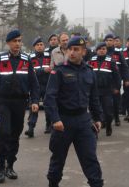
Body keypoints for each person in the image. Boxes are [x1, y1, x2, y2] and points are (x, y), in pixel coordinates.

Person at [44, 36, 104, 187]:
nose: (72, 52)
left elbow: (94, 98)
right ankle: (53, 184)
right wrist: (55, 119)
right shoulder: (59, 71)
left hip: (83, 121)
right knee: (58, 159)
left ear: (83, 52)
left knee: (90, 159)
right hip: (63, 122)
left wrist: (98, 118)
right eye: (70, 49)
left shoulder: (89, 72)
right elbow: (50, 98)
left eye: (76, 49)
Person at [0, 30, 40, 183]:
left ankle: (10, 165)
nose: (17, 44)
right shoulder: (0, 59)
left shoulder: (27, 60)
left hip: (20, 103)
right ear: (8, 43)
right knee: (4, 133)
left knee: (15, 135)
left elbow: (34, 83)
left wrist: (34, 101)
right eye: (14, 41)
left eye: (19, 41)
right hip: (4, 102)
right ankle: (0, 167)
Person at [88, 42, 121, 136]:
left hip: (107, 90)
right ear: (96, 50)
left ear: (106, 50)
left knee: (108, 112)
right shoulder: (91, 61)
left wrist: (116, 87)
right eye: (100, 49)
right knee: (94, 112)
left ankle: (108, 125)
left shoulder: (111, 61)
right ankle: (95, 131)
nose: (102, 51)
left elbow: (117, 76)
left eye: (104, 49)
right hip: (94, 91)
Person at [25, 37, 51, 137]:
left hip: (48, 85)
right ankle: (31, 128)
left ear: (44, 46)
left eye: (41, 45)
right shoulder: (30, 57)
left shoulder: (49, 56)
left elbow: (52, 68)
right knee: (33, 106)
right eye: (37, 45)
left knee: (48, 106)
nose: (40, 47)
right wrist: (43, 71)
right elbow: (31, 72)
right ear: (34, 47)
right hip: (35, 86)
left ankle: (49, 125)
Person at [104, 33, 129, 126]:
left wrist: (126, 79)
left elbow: (124, 66)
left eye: (110, 40)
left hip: (115, 81)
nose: (108, 42)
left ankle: (117, 117)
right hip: (104, 81)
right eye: (106, 40)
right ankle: (105, 120)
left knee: (115, 101)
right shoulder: (102, 51)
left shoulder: (118, 53)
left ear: (113, 42)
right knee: (104, 102)